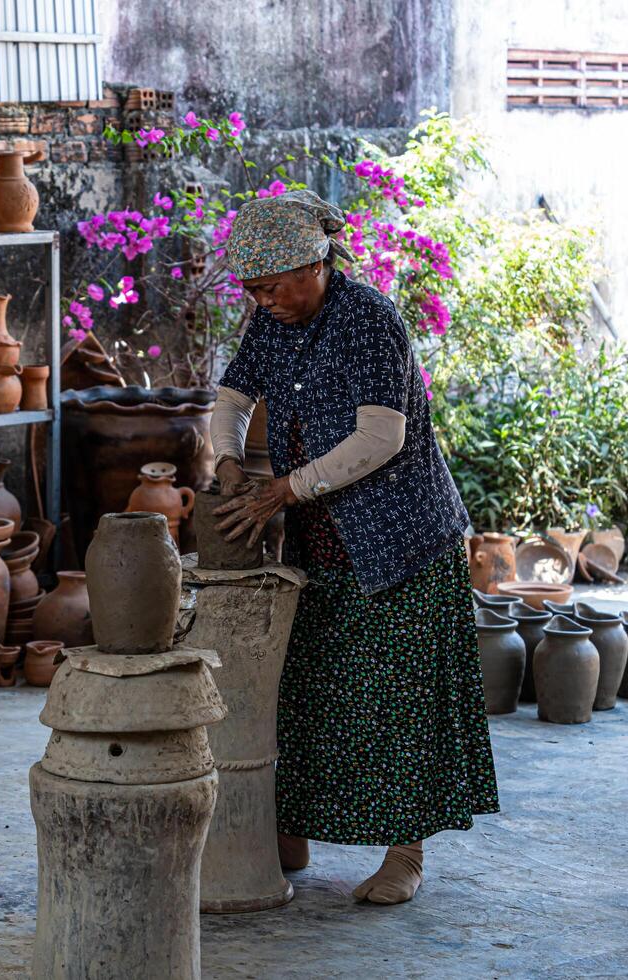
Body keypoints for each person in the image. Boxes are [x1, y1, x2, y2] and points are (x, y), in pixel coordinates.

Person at [209, 190, 498, 905]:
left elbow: (382, 436)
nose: (263, 302)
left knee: (398, 705)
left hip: (398, 538)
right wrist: (224, 462)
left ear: (315, 265)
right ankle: (291, 830)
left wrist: (282, 490)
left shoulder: (369, 318)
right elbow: (232, 400)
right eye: (252, 291)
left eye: (272, 288)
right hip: (321, 539)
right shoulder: (273, 321)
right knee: (308, 691)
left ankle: (406, 855)